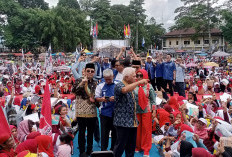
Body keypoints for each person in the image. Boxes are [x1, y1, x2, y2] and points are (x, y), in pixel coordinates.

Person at [113, 67, 148, 157]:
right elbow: (124, 90)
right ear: (127, 77)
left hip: (132, 122)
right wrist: (138, 82)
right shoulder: (119, 85)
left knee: (131, 147)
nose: (136, 78)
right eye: (134, 76)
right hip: (122, 122)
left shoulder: (132, 86)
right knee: (120, 146)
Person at [72, 63, 99, 157]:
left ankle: (89, 150)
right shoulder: (79, 80)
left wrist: (95, 100)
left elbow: (97, 96)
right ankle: (82, 151)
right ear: (84, 71)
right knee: (81, 132)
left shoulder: (96, 82)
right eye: (88, 71)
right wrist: (82, 83)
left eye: (92, 71)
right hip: (80, 111)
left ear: (94, 72)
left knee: (91, 133)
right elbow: (73, 91)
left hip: (92, 111)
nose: (90, 73)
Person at [134, 69, 156, 156]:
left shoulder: (149, 86)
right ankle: (138, 146)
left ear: (145, 76)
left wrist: (154, 111)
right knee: (137, 129)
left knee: (146, 130)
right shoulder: (134, 85)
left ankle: (146, 149)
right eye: (137, 75)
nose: (139, 77)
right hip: (136, 111)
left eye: (141, 76)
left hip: (147, 110)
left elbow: (153, 100)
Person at [95, 69, 118, 151]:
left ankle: (113, 151)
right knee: (104, 134)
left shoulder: (118, 84)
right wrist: (103, 99)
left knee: (115, 133)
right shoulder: (100, 85)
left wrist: (116, 98)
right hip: (104, 113)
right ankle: (103, 151)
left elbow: (123, 96)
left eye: (109, 79)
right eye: (106, 79)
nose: (108, 81)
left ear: (113, 76)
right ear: (103, 77)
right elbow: (96, 98)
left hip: (116, 113)